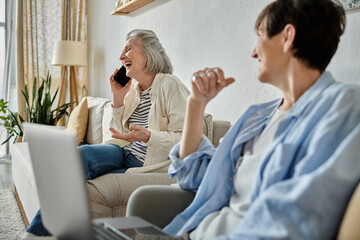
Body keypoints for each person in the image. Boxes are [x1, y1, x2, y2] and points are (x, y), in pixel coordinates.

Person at [157, 0, 360, 239]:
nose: (254, 52)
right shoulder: (258, 117)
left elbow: (297, 217)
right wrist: (196, 104)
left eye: (261, 35)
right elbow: (195, 177)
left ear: (287, 37)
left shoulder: (343, 107)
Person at [25, 29, 190, 236]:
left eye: (129, 49)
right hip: (123, 152)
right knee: (79, 155)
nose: (121, 56)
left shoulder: (170, 85)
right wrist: (117, 98)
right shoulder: (135, 91)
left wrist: (149, 136)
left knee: (78, 182)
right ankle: (38, 234)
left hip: (148, 163)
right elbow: (118, 134)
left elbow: (188, 139)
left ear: (148, 55)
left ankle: (40, 234)